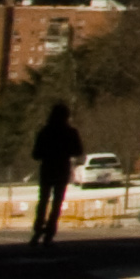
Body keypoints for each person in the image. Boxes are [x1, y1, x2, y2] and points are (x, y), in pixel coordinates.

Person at [29, 101, 82, 246]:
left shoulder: (45, 131)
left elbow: (36, 154)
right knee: (57, 202)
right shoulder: (71, 132)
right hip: (62, 168)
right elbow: (78, 151)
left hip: (47, 168)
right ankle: (50, 231)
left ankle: (38, 228)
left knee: (43, 200)